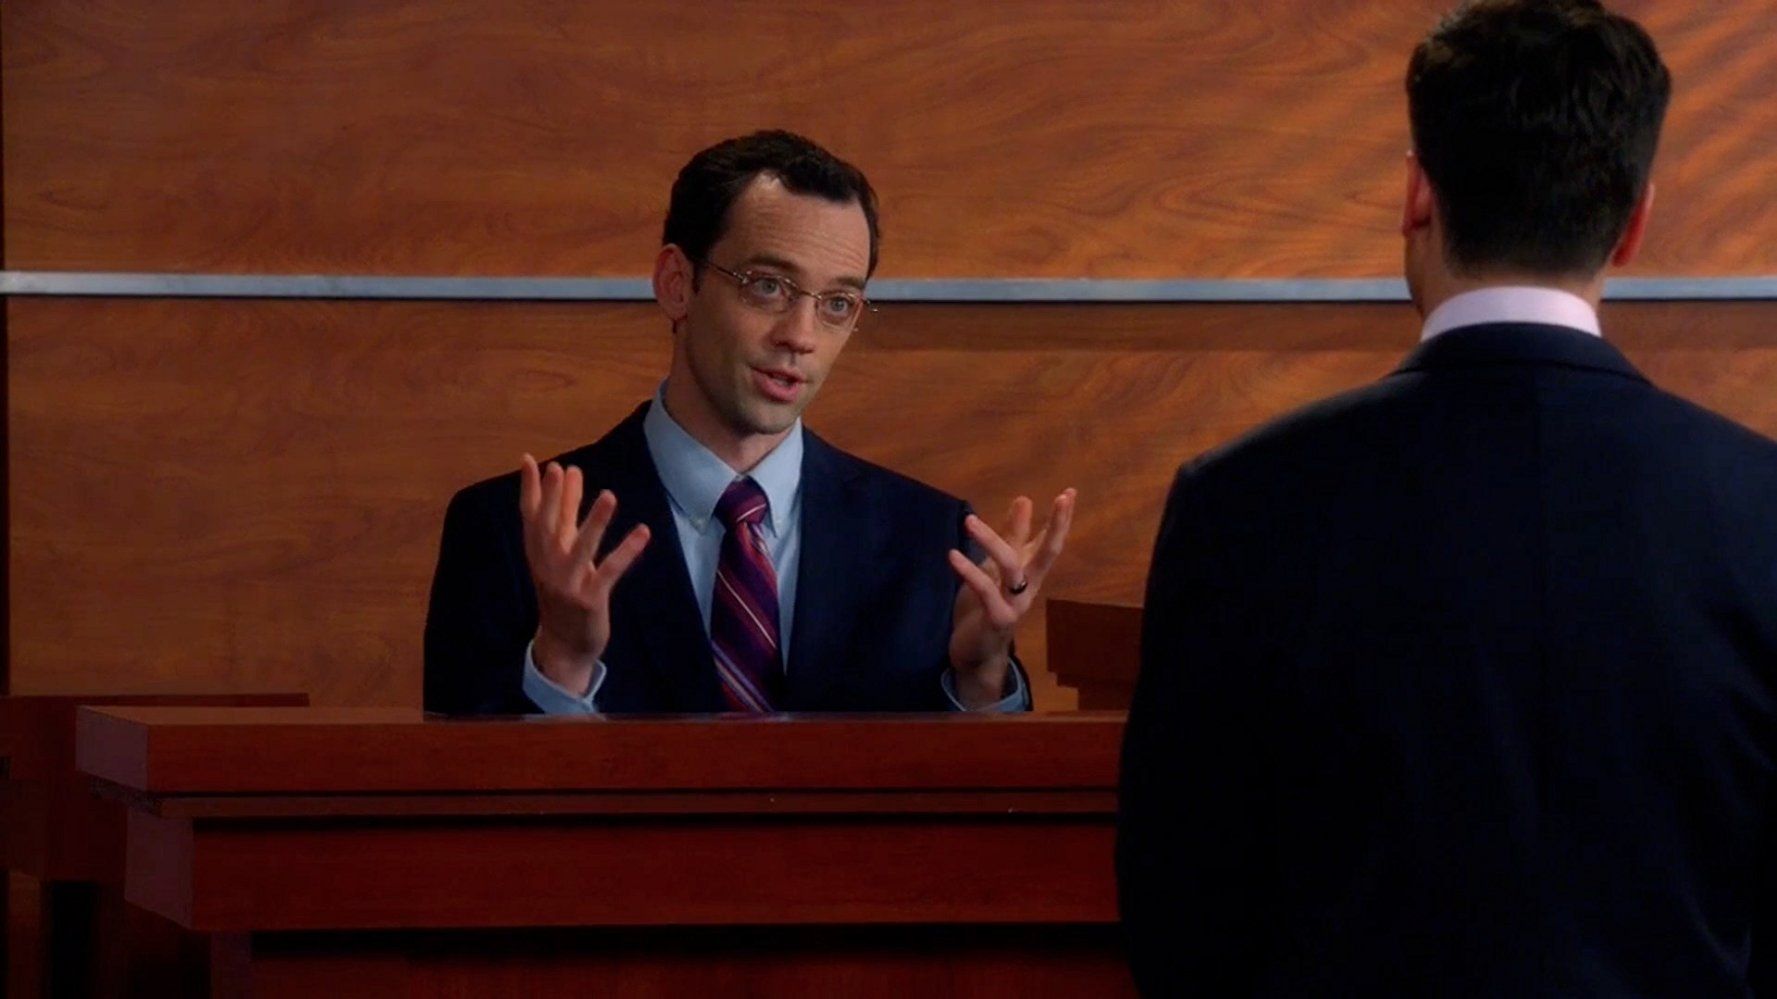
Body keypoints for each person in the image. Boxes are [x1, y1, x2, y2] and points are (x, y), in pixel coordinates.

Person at [1117, 1, 1777, 993]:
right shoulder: (1761, 507)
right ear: (1634, 223)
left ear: (1417, 192)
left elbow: (1180, 911)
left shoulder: (1240, 502)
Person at [425, 130, 1074, 715]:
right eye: (768, 286)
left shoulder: (929, 541)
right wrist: (561, 664)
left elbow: (970, 803)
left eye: (837, 303)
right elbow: (458, 795)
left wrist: (980, 678)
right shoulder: (507, 530)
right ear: (676, 283)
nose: (801, 336)